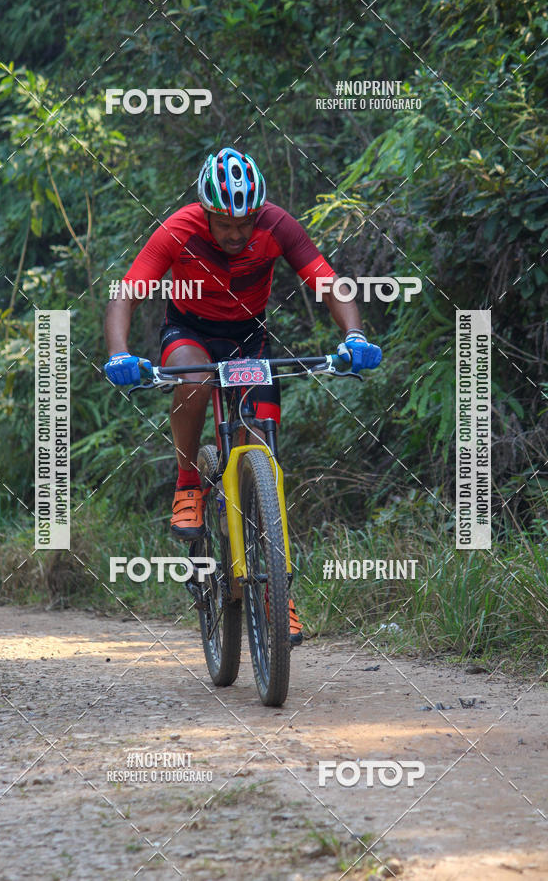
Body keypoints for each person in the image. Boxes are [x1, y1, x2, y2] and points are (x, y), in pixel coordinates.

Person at [104, 146, 382, 645]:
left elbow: (326, 281)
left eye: (244, 223)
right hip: (189, 334)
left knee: (263, 450)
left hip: (249, 340)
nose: (235, 234)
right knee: (193, 379)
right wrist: (121, 354)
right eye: (224, 223)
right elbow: (127, 291)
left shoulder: (278, 226)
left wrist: (354, 338)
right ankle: (189, 484)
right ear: (206, 211)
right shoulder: (179, 229)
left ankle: (279, 592)